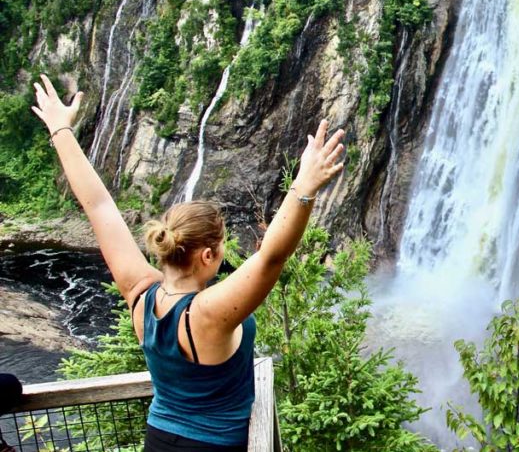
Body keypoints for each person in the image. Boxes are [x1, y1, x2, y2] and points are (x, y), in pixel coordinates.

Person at [31, 74, 345, 451]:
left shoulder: (140, 295)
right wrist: (304, 187)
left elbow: (98, 206)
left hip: (158, 439)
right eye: (224, 244)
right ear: (208, 255)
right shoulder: (210, 314)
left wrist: (61, 130)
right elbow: (271, 256)